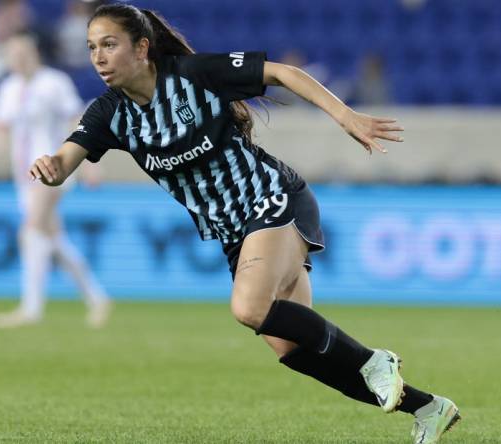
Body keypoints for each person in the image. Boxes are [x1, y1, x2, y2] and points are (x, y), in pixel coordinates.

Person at [28, 5, 459, 443]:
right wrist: (51, 167)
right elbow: (66, 159)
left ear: (141, 48)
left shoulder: (193, 74)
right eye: (92, 48)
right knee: (295, 350)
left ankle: (374, 361)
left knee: (249, 309)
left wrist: (344, 115)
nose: (98, 57)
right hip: (236, 230)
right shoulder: (109, 113)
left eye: (109, 44)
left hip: (273, 197)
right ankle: (428, 407)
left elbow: (286, 73)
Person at [0, 32, 111, 329]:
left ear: (34, 51)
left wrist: (89, 164)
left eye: (22, 51)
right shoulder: (9, 88)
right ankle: (97, 297)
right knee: (53, 239)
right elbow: (2, 129)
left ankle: (31, 308)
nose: (17, 58)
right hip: (22, 174)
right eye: (12, 52)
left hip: (52, 168)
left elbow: (77, 123)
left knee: (30, 231)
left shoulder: (54, 83)